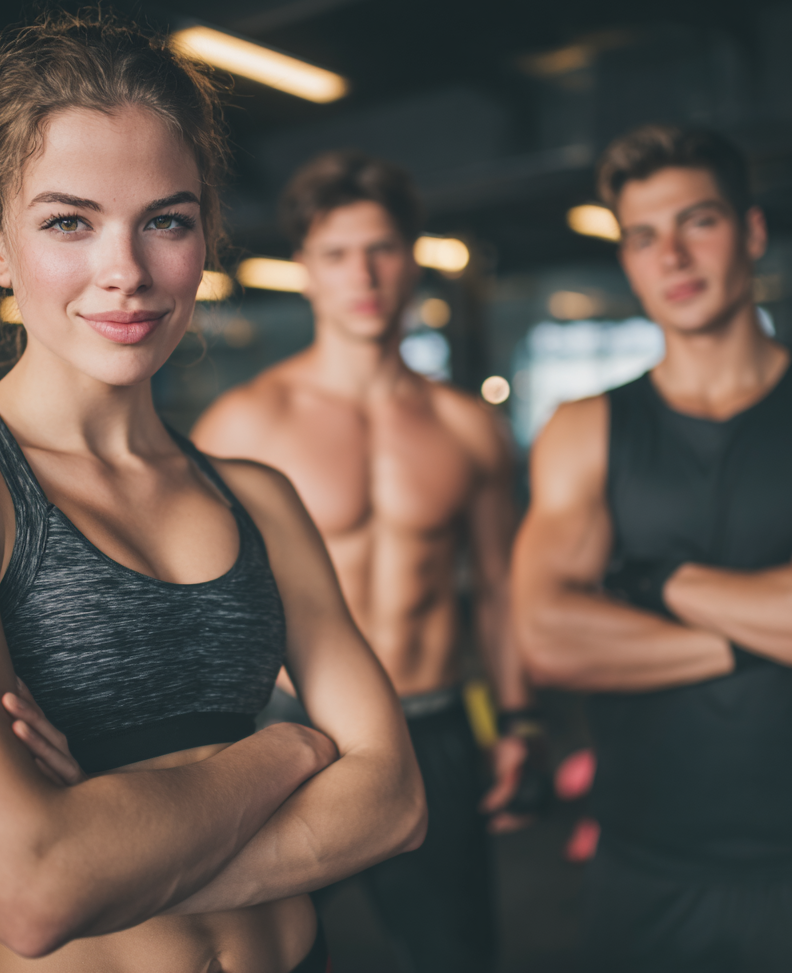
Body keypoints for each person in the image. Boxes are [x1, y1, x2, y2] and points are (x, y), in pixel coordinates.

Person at [0, 10, 425, 973]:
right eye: (68, 223)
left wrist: (116, 848)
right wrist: (288, 752)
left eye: (165, 220)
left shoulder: (261, 498)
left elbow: (397, 800)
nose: (124, 272)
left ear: (204, 237)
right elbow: (31, 888)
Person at [512, 124, 792, 972]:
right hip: (644, 869)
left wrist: (652, 581)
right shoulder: (585, 433)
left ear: (752, 232)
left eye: (699, 223)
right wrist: (791, 605)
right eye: (643, 237)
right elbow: (549, 636)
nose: (673, 258)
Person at [192, 150, 544, 972]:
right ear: (305, 269)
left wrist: (516, 721)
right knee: (264, 958)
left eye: (382, 248)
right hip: (289, 735)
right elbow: (193, 607)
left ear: (412, 257)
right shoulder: (245, 424)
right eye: (337, 253)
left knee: (454, 956)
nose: (364, 274)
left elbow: (496, 586)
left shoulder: (466, 426)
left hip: (434, 724)